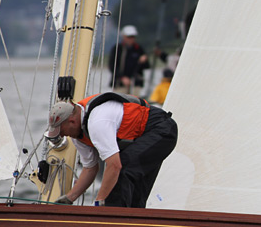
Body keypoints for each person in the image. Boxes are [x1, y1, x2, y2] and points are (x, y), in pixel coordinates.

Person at [46, 92, 178, 208]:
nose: (62, 135)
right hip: (144, 137)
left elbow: (115, 166)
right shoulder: (77, 135)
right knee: (135, 193)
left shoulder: (97, 122)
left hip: (161, 129)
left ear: (72, 121)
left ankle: (112, 220)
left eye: (61, 130)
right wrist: (69, 198)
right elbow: (90, 169)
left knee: (123, 168)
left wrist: (100, 202)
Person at [108, 25, 149, 92]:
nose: (131, 39)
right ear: (124, 36)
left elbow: (147, 66)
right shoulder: (118, 49)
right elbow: (112, 66)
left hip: (135, 83)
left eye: (133, 37)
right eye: (129, 37)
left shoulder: (138, 49)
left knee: (135, 101)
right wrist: (122, 77)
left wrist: (144, 61)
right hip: (120, 83)